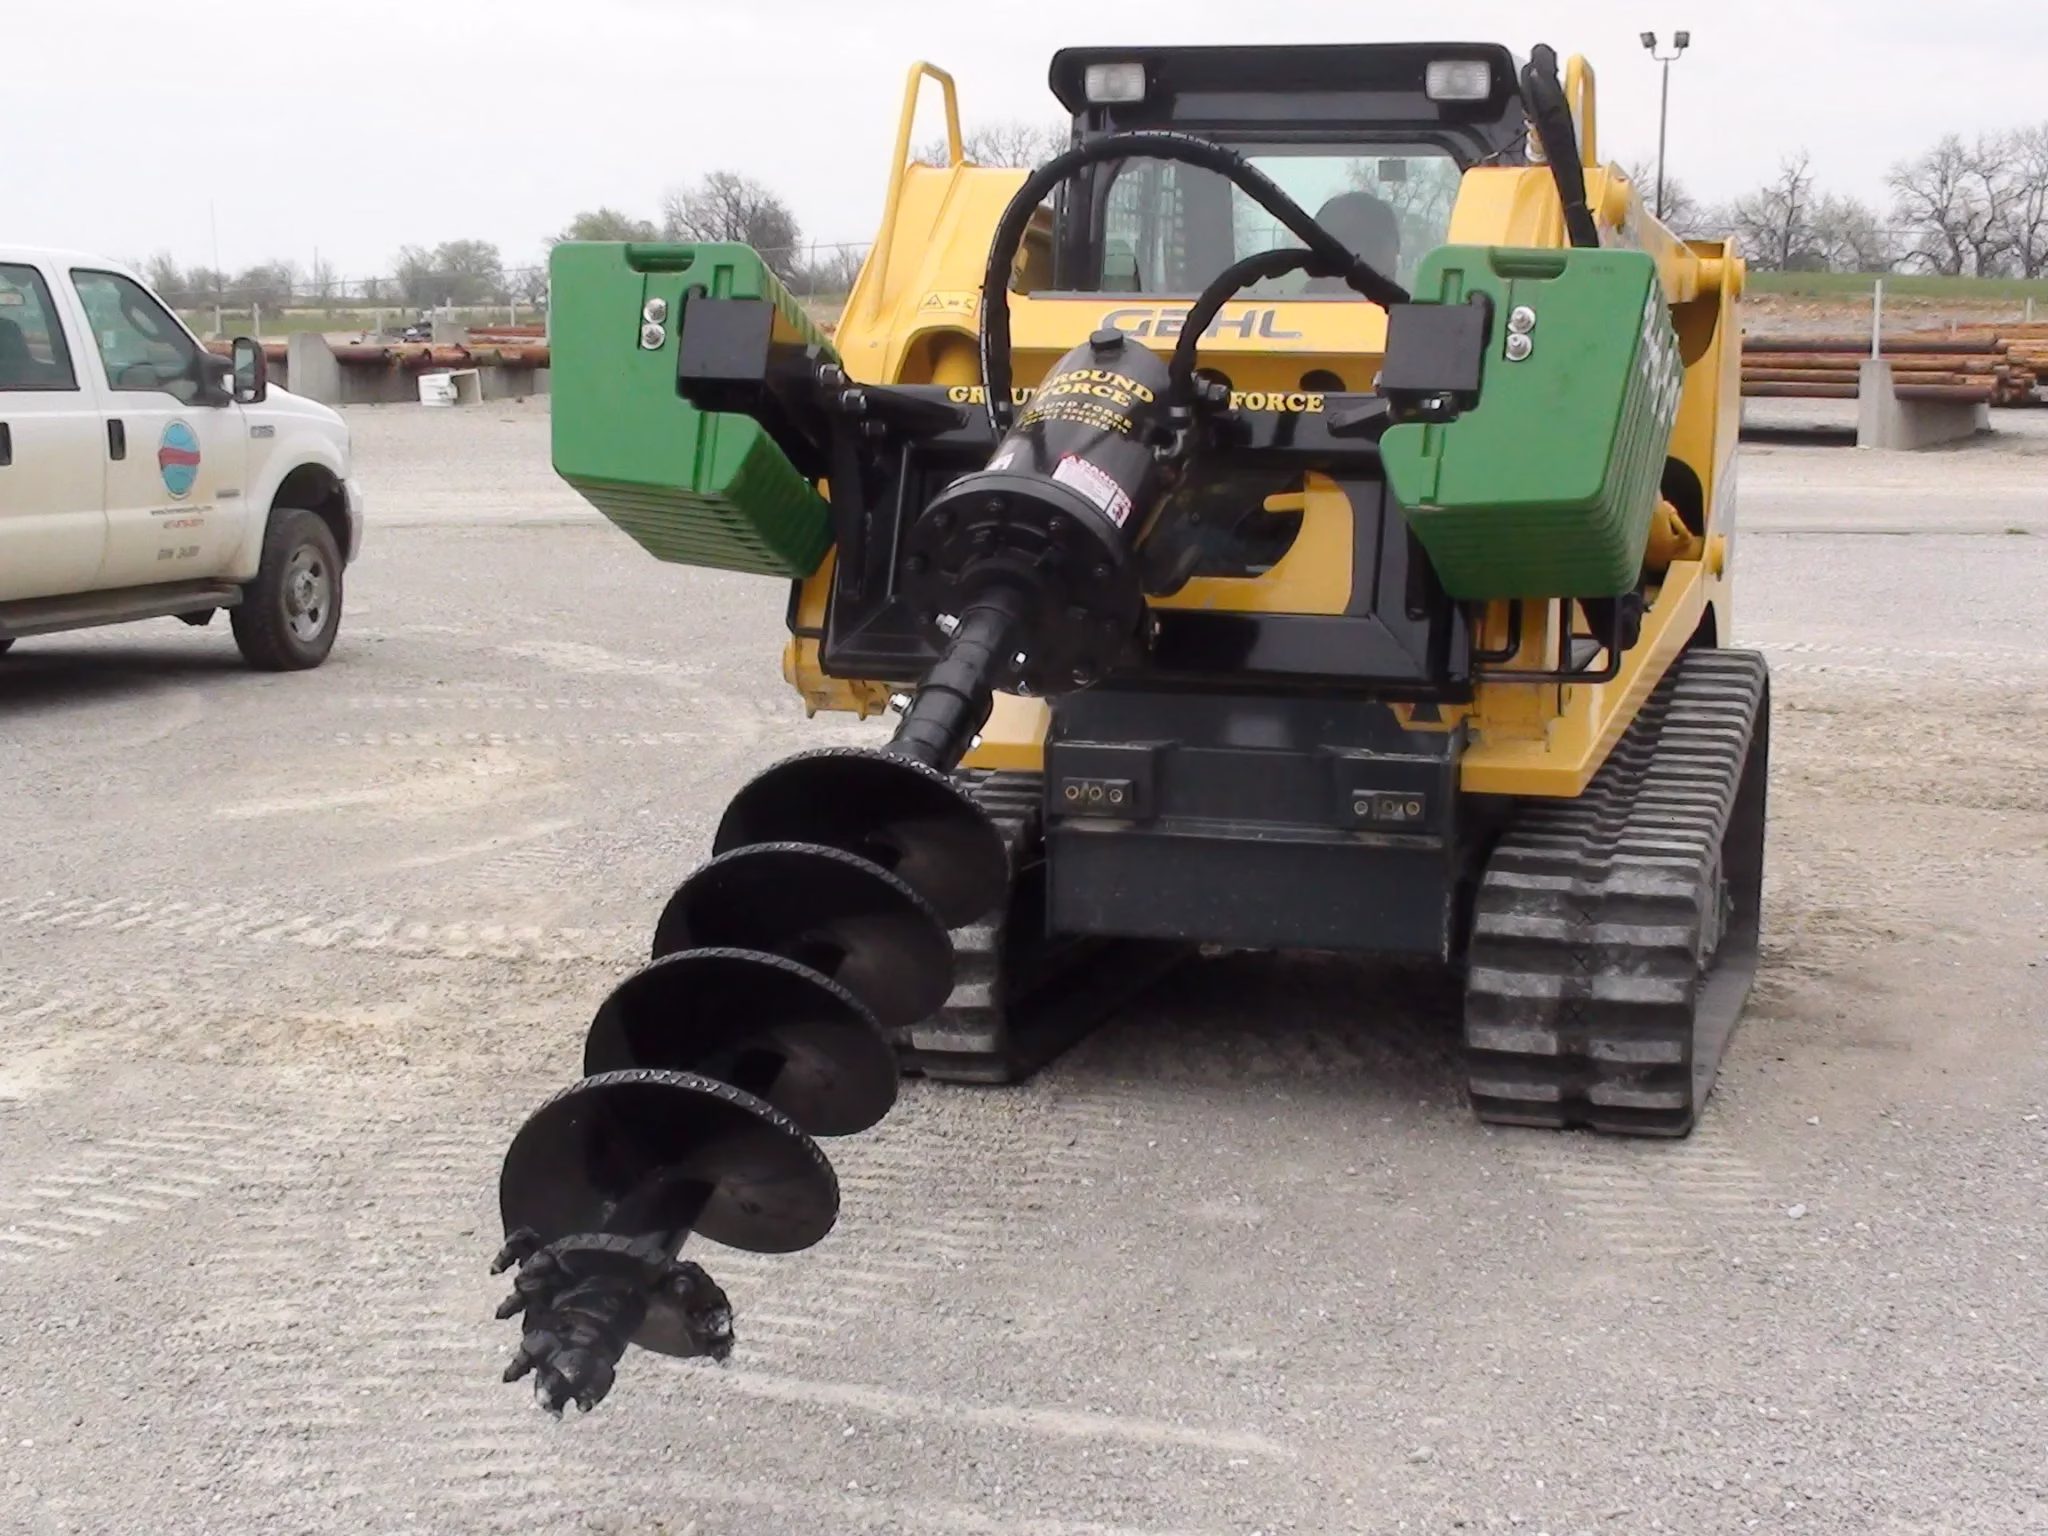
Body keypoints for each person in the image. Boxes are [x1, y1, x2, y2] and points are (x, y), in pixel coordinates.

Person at [1304, 190, 1401, 292]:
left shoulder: (1411, 305)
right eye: (1345, 240)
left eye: (1376, 243)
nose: (1363, 254)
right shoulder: (1292, 306)